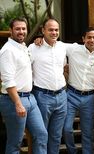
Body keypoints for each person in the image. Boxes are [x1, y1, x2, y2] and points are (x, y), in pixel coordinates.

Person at [0, 17, 47, 154]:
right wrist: (18, 103)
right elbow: (8, 80)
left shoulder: (23, 48)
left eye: (24, 28)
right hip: (13, 100)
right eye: (17, 29)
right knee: (15, 142)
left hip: (30, 99)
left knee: (41, 134)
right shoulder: (7, 51)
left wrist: (39, 39)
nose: (21, 31)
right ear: (11, 30)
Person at [28, 18, 67, 154]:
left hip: (62, 97)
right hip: (42, 96)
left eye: (56, 30)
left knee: (56, 137)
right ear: (43, 31)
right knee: (41, 136)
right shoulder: (33, 48)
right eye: (50, 29)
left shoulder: (63, 47)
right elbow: (26, 69)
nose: (54, 32)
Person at [63, 27, 94, 154]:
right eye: (89, 37)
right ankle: (72, 151)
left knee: (87, 132)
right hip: (71, 95)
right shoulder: (74, 49)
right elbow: (55, 44)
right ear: (83, 39)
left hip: (90, 98)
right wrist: (38, 40)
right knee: (66, 128)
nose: (92, 40)